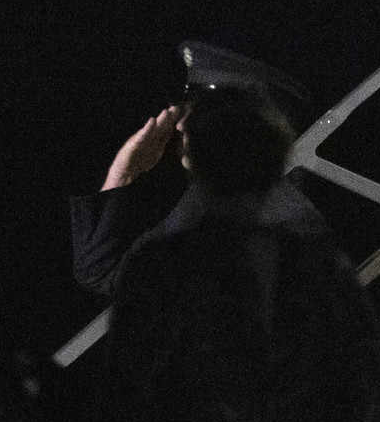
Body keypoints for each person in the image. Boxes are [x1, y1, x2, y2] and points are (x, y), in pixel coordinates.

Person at [95, 89, 380, 422]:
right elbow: (362, 397)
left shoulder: (162, 265)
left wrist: (124, 174)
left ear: (198, 159)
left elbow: (127, 403)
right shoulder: (321, 266)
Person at [74, 42, 332, 296]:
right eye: (187, 107)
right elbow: (104, 274)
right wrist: (122, 174)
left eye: (202, 112)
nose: (180, 125)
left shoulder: (276, 212)